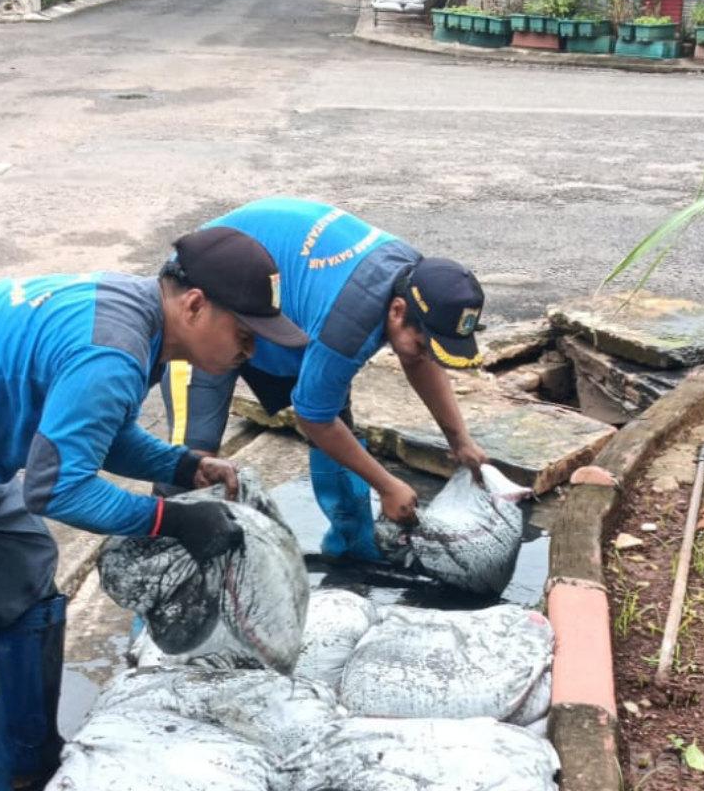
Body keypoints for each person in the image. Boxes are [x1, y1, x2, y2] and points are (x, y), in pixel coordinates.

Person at [0, 226, 307, 791]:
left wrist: (180, 468)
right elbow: (55, 490)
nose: (249, 353)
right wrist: (169, 519)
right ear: (196, 305)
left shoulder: (140, 322)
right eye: (245, 336)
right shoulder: (114, 348)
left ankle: (36, 760)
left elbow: (96, 431)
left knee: (28, 583)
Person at [161, 197, 488, 562]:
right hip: (205, 294)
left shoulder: (417, 283)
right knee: (191, 459)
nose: (424, 355)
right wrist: (387, 485)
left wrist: (460, 441)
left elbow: (419, 361)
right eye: (423, 344)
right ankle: (165, 582)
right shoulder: (350, 322)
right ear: (397, 312)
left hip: (279, 309)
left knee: (333, 418)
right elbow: (312, 417)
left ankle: (353, 549)